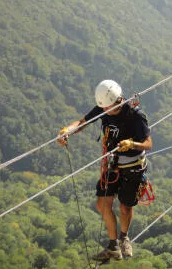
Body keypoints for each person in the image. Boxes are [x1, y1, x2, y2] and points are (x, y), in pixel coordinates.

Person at [57, 79, 152, 261]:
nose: (107, 112)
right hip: (112, 164)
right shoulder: (103, 108)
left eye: (111, 109)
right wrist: (67, 131)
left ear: (119, 100)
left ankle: (123, 238)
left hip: (133, 166)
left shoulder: (135, 115)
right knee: (102, 205)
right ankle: (113, 246)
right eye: (105, 109)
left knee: (125, 206)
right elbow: (83, 122)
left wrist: (133, 143)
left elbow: (148, 144)